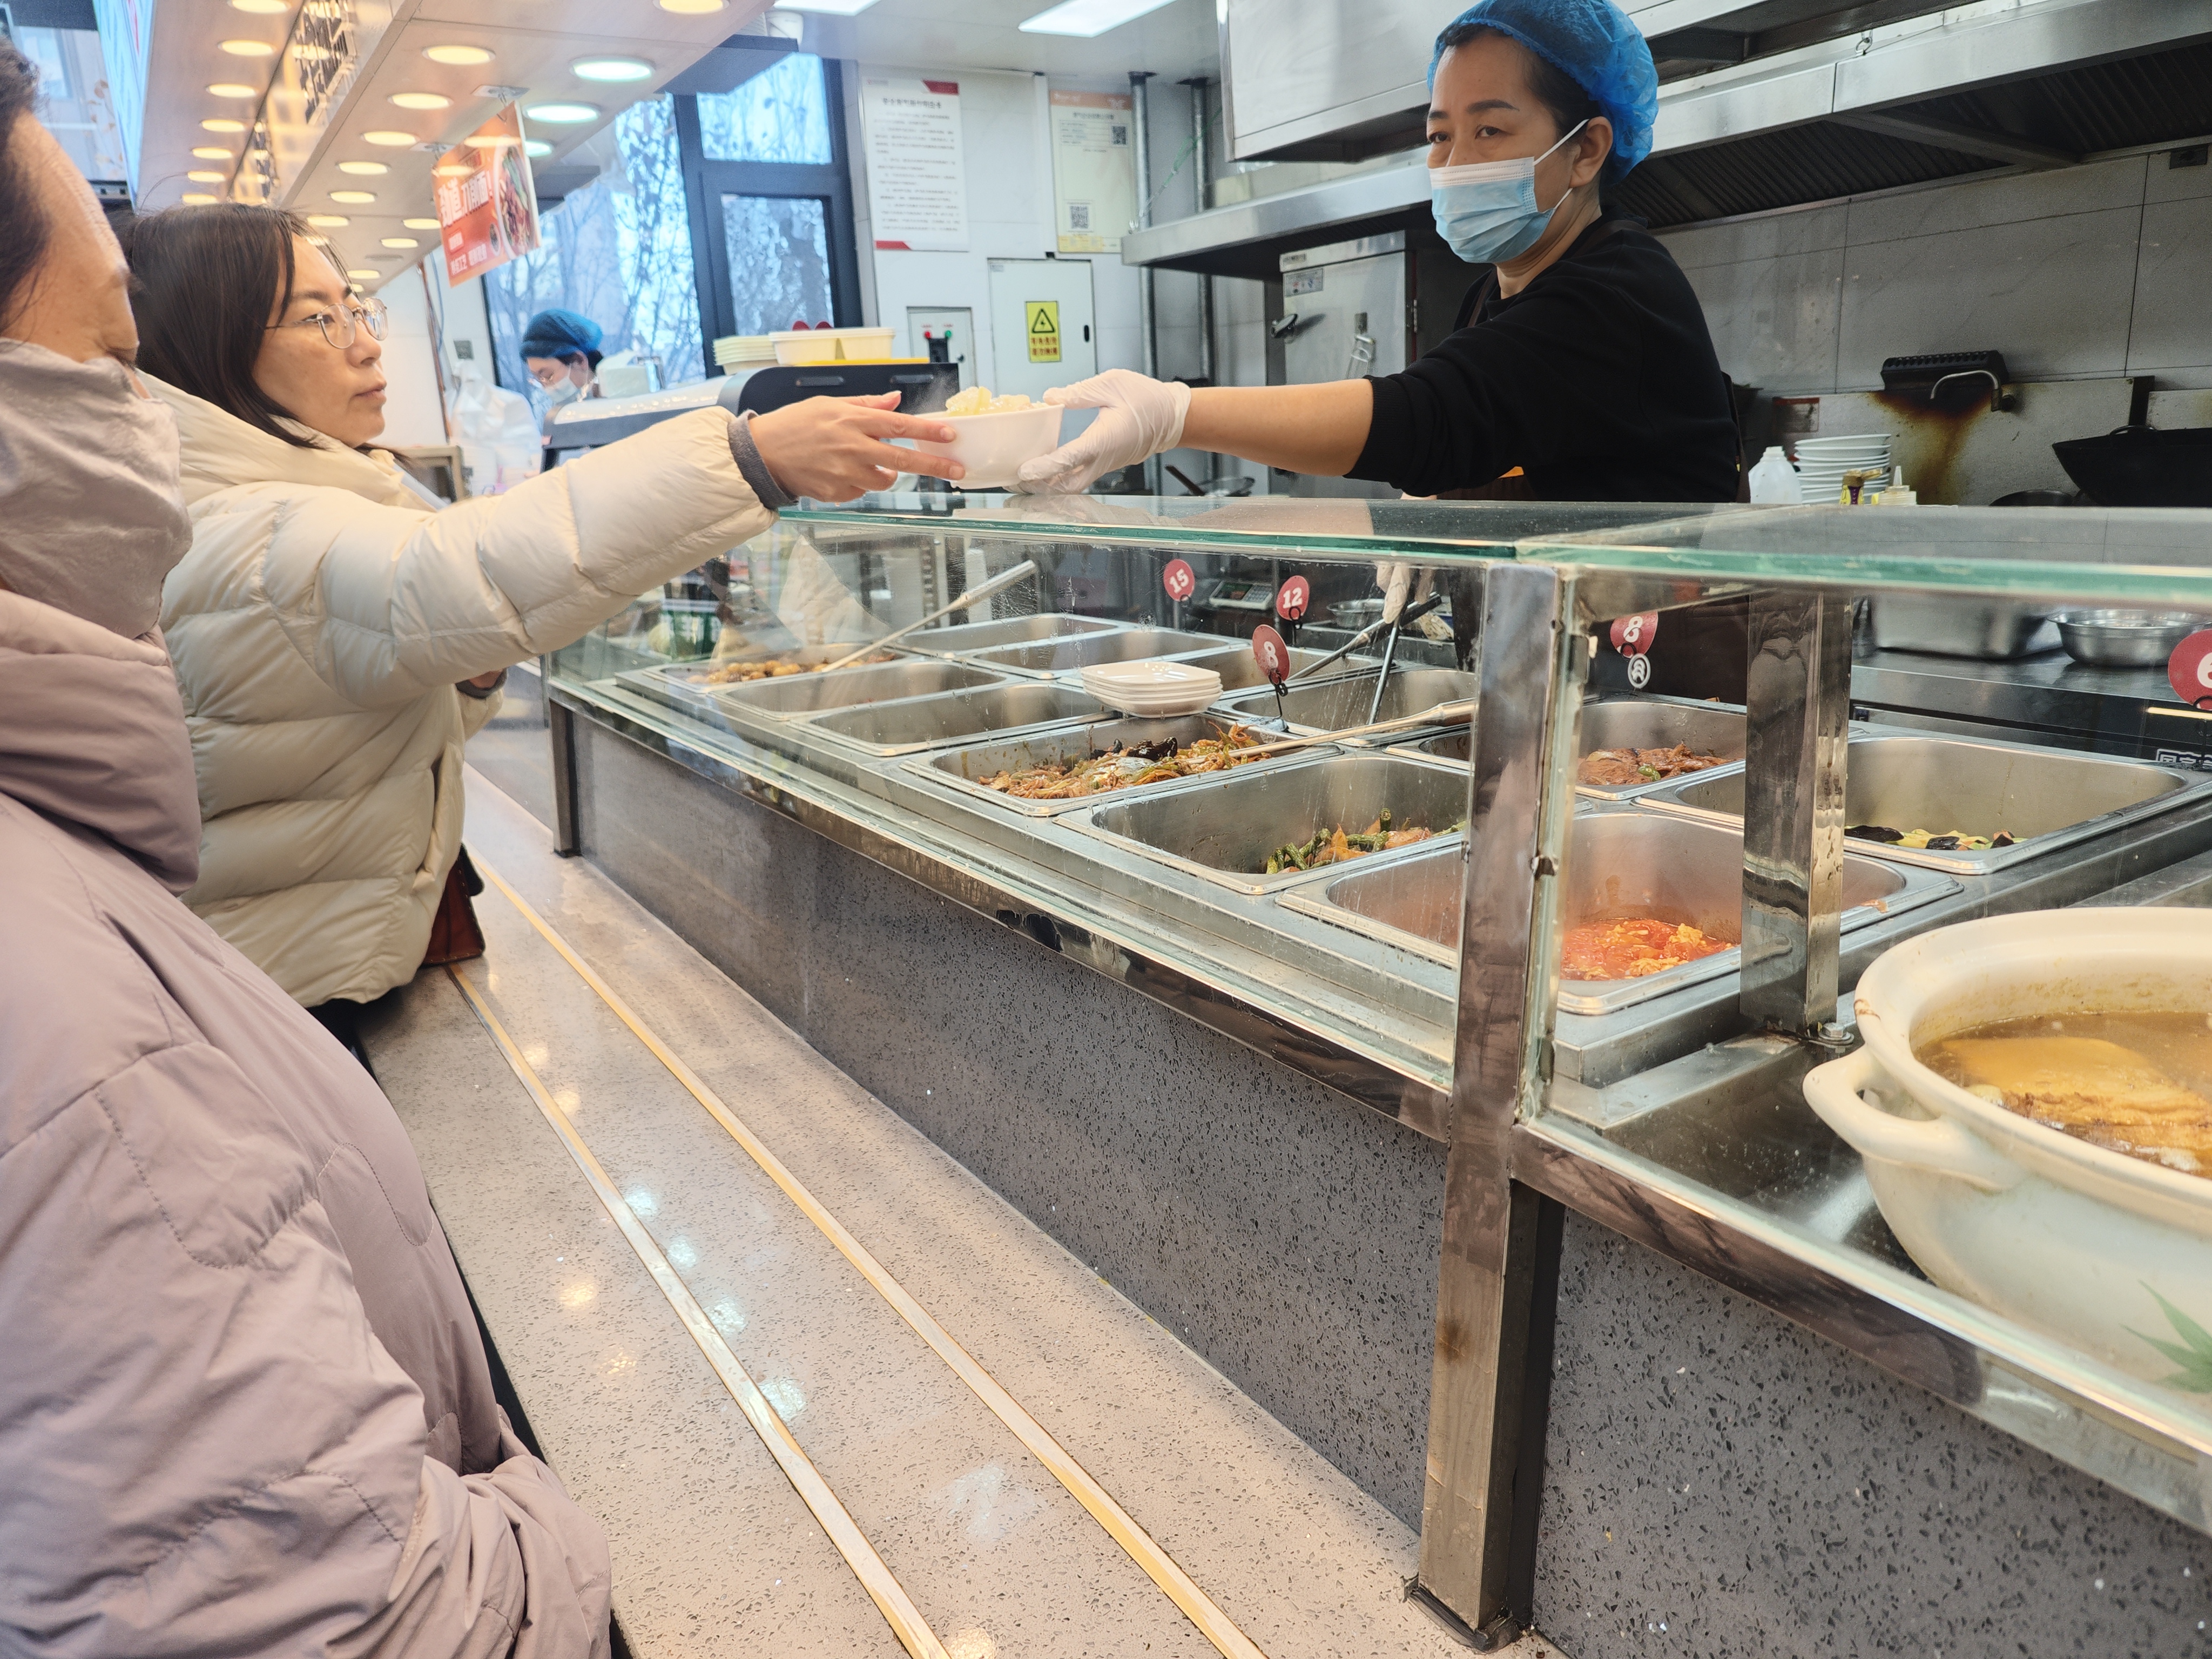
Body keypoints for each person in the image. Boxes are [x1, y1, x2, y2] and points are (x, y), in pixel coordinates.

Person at [0, 44, 610, 1652]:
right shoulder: (55, 1019)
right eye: (108, 355)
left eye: (362, 306)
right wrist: (558, 1509)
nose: (363, 340)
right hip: (322, 989)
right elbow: (323, 1605)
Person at [116, 204, 964, 1032]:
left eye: (356, 309)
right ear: (213, 350)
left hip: (308, 969)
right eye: (319, 319)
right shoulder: (250, 526)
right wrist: (751, 457)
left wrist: (466, 676)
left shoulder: (260, 494)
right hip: (295, 1006)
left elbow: (328, 722)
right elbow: (468, 567)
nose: (367, 343)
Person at [1016, 0, 1738, 507]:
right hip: (1559, 662)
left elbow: (1425, 419)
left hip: (1658, 674)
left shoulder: (1616, 296)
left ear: (1586, 150)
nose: (1453, 162)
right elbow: (1472, 430)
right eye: (1439, 135)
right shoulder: (1492, 298)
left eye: (1489, 132)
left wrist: (1176, 415)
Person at [521, 305, 603, 427]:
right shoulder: (562, 416)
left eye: (548, 376)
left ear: (580, 360)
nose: (546, 387)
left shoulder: (620, 403)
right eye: (539, 379)